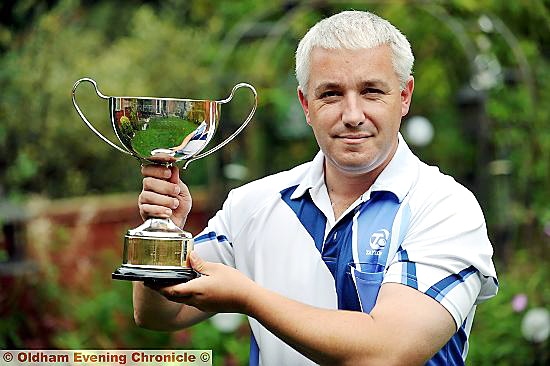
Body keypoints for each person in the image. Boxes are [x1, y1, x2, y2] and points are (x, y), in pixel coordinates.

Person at [133, 10, 498, 366]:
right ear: (306, 104)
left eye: (371, 91)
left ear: (404, 95)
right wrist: (164, 234)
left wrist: (249, 298)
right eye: (331, 94)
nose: (352, 115)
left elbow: (387, 352)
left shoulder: (444, 208)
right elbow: (162, 314)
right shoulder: (253, 204)